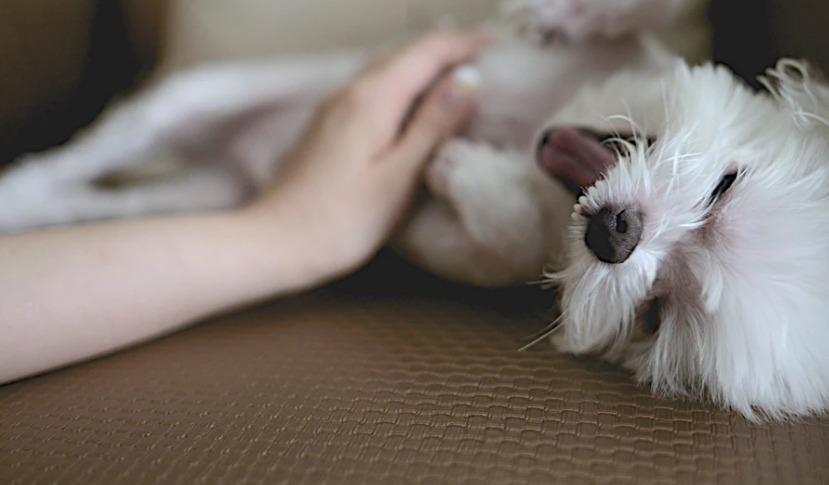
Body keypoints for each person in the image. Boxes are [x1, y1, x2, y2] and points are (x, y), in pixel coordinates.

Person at [0, 30, 488, 386]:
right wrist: (287, 235)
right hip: (285, 179)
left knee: (148, 191)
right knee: (174, 112)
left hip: (257, 194)